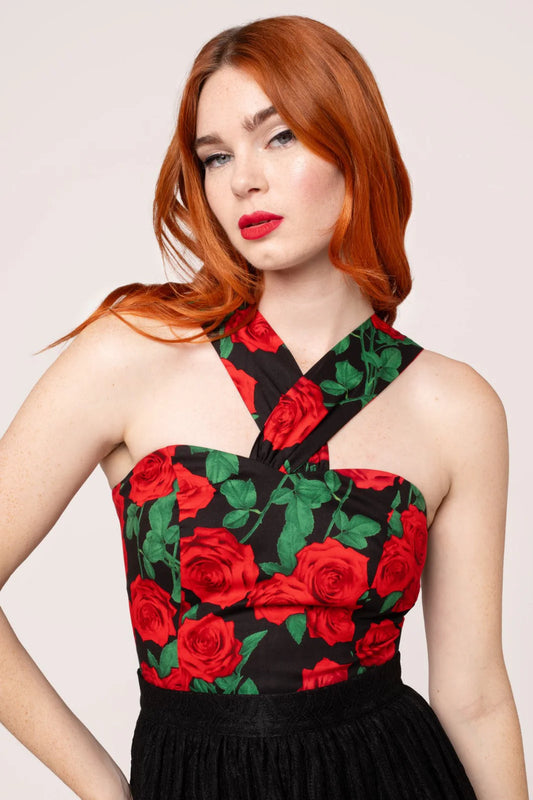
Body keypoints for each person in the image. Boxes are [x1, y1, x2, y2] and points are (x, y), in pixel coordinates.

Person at [0, 13, 528, 800]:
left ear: (352, 146)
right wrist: (109, 793)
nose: (242, 179)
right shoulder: (130, 353)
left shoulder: (455, 406)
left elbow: (474, 694)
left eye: (277, 137)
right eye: (215, 156)